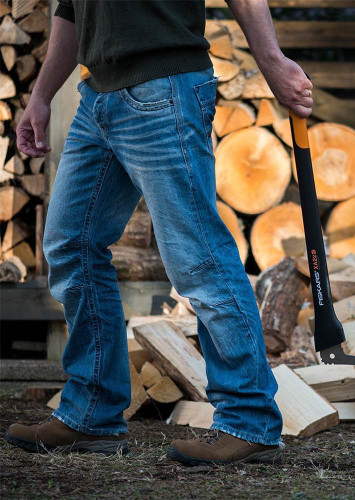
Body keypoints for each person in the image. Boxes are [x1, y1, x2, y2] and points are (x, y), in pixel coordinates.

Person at [6, 0, 313, 465]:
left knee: (199, 258)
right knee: (71, 243)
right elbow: (70, 10)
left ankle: (250, 423)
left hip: (163, 86)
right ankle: (91, 414)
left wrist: (271, 62)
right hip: (97, 96)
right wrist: (42, 95)